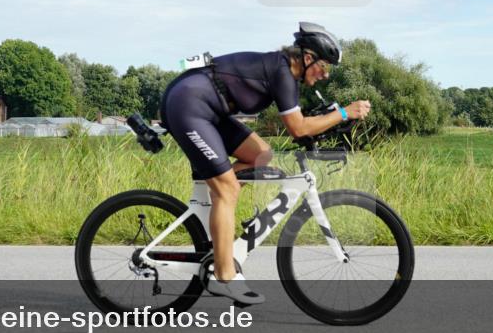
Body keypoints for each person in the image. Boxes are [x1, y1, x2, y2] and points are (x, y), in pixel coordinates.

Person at [158, 23, 372, 304]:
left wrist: (329, 121)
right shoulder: (283, 73)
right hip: (188, 105)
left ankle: (220, 199)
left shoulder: (283, 72)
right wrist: (344, 113)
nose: (326, 74)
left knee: (261, 154)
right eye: (324, 66)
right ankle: (224, 276)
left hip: (208, 108)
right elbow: (298, 127)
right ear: (308, 58)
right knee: (227, 190)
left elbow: (301, 127)